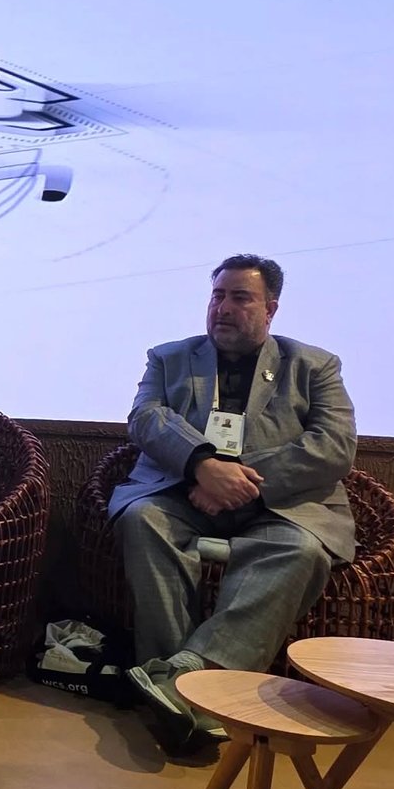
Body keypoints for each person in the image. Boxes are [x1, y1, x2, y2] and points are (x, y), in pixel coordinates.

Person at [110, 254, 356, 752]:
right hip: (185, 493)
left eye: (240, 297)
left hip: (279, 506)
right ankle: (187, 693)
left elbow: (334, 446)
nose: (223, 308)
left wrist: (241, 482)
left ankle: (185, 678)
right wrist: (202, 464)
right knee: (141, 518)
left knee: (302, 551)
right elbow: (146, 418)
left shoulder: (314, 365)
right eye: (217, 295)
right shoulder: (169, 357)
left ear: (271, 309)